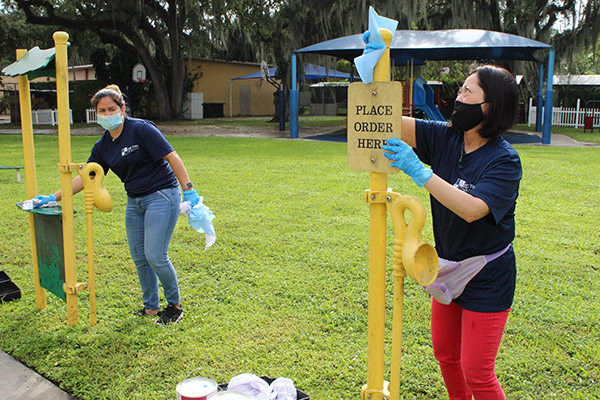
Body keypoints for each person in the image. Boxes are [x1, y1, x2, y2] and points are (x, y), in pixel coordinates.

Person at [382, 65, 521, 399]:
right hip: (447, 268)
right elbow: (382, 120)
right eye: (459, 91)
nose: (458, 98)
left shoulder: (504, 160)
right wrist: (373, 73)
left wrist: (419, 172)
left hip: (486, 274)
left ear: (491, 106)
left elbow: (473, 209)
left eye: (468, 93)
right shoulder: (446, 137)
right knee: (446, 355)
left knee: (478, 372)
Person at [33, 84, 200, 325]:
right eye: (102, 110)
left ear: (123, 109)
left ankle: (175, 306)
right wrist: (53, 197)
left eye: (112, 108)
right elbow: (87, 177)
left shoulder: (140, 129)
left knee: (155, 255)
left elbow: (172, 156)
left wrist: (190, 191)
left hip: (162, 195)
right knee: (140, 257)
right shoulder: (103, 145)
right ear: (97, 114)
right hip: (135, 202)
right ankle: (151, 308)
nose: (108, 113)